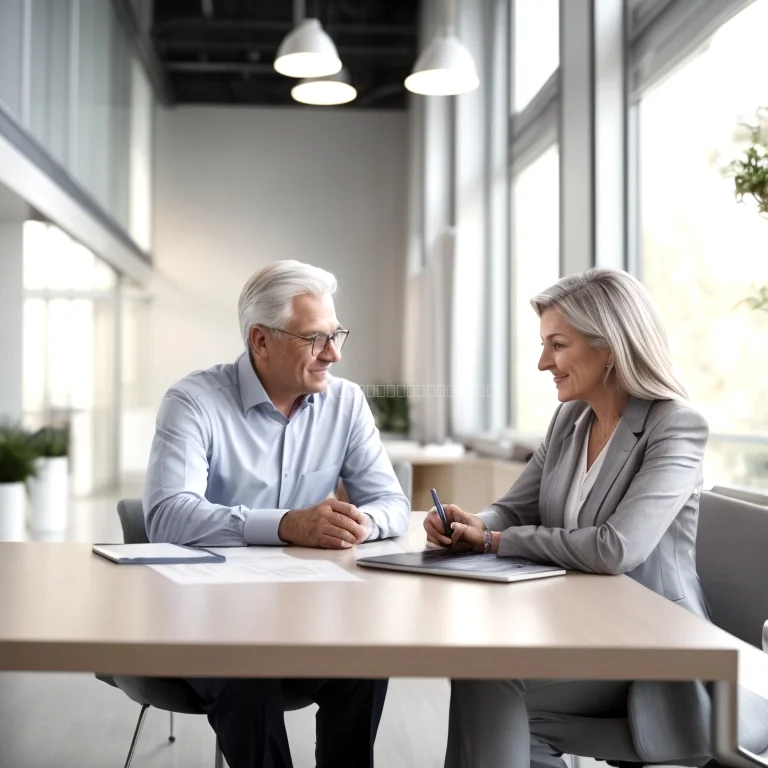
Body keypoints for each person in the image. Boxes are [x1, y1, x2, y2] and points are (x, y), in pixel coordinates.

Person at [424, 267, 768, 768]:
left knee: (492, 682)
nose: (543, 362)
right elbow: (514, 508)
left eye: (557, 345)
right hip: (583, 631)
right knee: (481, 675)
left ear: (609, 347)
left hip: (659, 656)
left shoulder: (676, 426)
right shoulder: (571, 419)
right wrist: (474, 524)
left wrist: (495, 541)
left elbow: (616, 548)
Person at [143, 259, 410, 768]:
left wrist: (358, 524)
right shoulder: (194, 401)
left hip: (312, 612)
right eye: (315, 339)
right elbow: (168, 516)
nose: (333, 353)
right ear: (260, 341)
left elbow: (392, 504)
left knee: (367, 660)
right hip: (208, 621)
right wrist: (287, 524)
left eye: (336, 335)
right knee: (248, 672)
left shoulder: (346, 403)